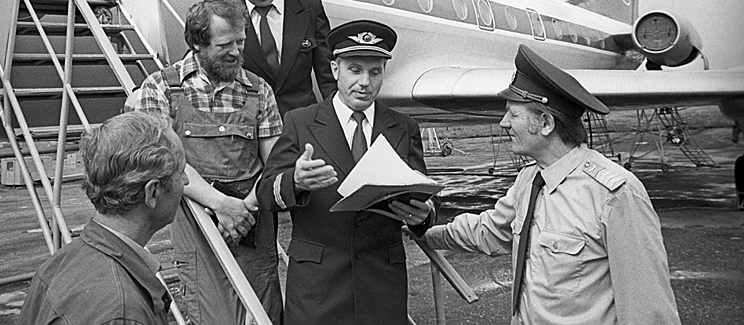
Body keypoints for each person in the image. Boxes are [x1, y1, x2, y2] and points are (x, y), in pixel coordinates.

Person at [423, 45, 681, 324]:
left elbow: (649, 310)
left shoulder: (614, 195)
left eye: (513, 114)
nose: (503, 123)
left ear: (545, 123)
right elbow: (489, 231)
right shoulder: (530, 179)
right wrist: (424, 232)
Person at [256, 19, 436, 325]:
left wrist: (425, 214)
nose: (364, 82)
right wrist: (294, 181)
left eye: (374, 72)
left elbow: (422, 191)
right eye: (355, 69)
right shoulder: (300, 123)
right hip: (318, 289)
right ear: (335, 69)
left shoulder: (404, 128)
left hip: (382, 286)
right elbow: (266, 194)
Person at [133, 0, 283, 325]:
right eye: (225, 44)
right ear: (197, 43)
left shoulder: (260, 91)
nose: (236, 52)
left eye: (240, 42)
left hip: (253, 226)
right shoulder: (160, 89)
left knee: (263, 314)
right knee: (210, 315)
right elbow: (166, 161)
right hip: (198, 231)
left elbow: (275, 162)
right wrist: (221, 204)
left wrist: (242, 209)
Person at [20, 112, 187, 325]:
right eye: (180, 172)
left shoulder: (58, 264)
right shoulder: (122, 312)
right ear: (152, 192)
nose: (186, 181)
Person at [219, 0, 336, 118]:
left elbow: (328, 76)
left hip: (302, 123)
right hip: (249, 126)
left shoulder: (310, 9)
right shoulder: (224, 16)